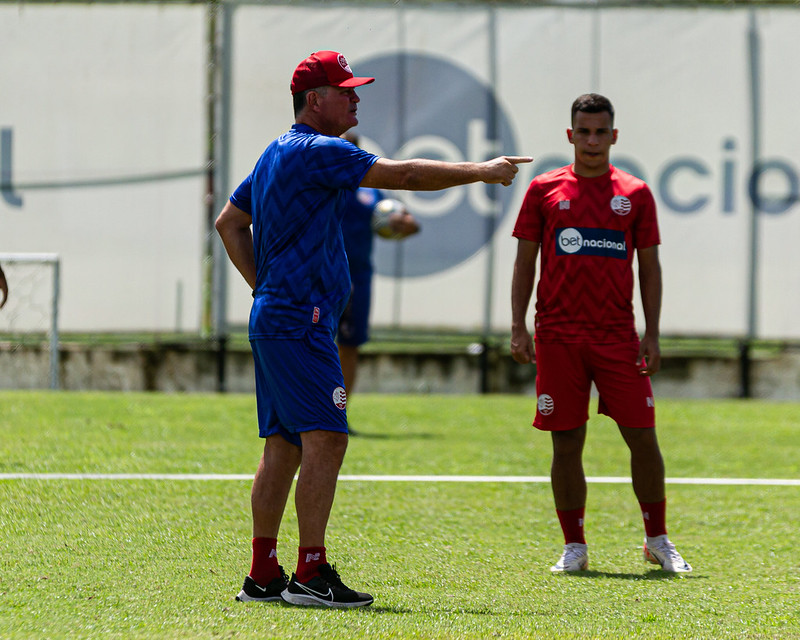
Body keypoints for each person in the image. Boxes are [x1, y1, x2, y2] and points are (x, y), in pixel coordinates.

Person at [215, 50, 531, 608]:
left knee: (284, 446)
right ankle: (310, 575)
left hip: (279, 316)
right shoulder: (319, 150)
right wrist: (483, 170)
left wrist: (266, 289)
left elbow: (229, 222)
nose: (357, 97)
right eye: (347, 90)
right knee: (327, 439)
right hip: (300, 320)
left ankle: (264, 574)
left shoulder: (275, 153)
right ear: (316, 101)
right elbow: (405, 174)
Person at [510, 93, 691, 574]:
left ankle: (657, 539)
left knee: (644, 439)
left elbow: (649, 268)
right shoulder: (543, 190)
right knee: (566, 443)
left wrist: (652, 333)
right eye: (583, 132)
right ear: (570, 136)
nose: (592, 140)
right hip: (558, 336)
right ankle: (575, 546)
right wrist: (517, 324)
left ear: (614, 135)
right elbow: (525, 262)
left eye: (600, 131)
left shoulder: (636, 193)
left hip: (616, 337)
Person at [337, 131, 420, 405]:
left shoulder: (369, 188)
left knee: (349, 345)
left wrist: (405, 225)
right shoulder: (319, 181)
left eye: (352, 147)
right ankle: (307, 416)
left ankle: (339, 414)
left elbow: (404, 219)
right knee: (314, 343)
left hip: (357, 277)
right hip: (320, 275)